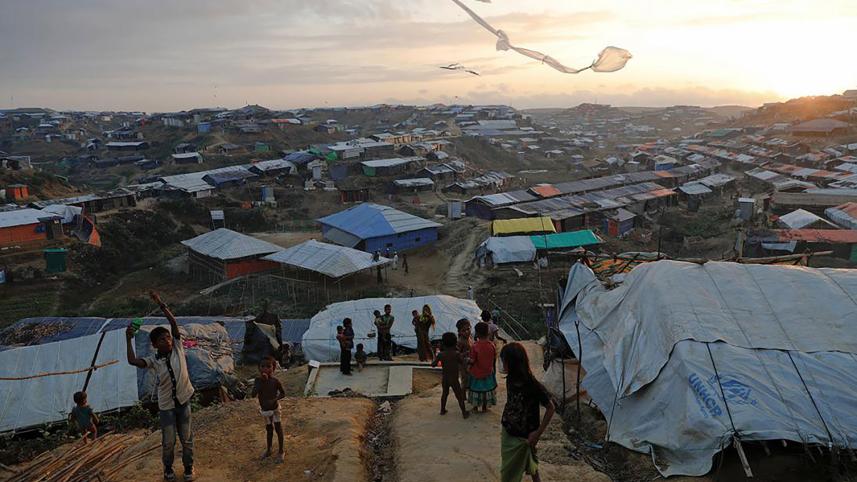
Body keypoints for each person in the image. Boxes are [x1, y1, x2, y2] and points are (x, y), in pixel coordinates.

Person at [126, 292, 195, 482]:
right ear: (155, 345)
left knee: (187, 439)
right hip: (166, 406)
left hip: (184, 400)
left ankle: (189, 468)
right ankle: (168, 469)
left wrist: (160, 303)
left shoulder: (178, 348)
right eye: (163, 339)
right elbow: (132, 360)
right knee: (169, 442)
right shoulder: (153, 361)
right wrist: (128, 338)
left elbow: (173, 324)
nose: (168, 340)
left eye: (168, 338)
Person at [499, 343, 556, 482]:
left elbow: (551, 408)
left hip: (526, 435)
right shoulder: (510, 379)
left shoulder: (532, 385)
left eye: (504, 361)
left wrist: (538, 433)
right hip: (509, 429)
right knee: (527, 459)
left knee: (510, 471)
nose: (502, 365)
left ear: (511, 363)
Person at [251, 356, 286, 463]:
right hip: (265, 410)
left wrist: (275, 399)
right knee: (269, 429)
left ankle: (281, 451)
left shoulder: (275, 381)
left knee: (278, 428)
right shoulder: (257, 381)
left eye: (268, 366)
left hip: (275, 409)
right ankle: (269, 449)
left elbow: (283, 393)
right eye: (262, 366)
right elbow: (253, 395)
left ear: (273, 368)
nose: (265, 369)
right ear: (259, 368)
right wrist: (260, 383)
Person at [431, 332, 469, 419]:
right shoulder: (456, 354)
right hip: (454, 379)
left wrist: (435, 357)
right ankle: (464, 412)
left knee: (444, 394)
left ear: (443, 343)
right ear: (455, 343)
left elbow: (433, 364)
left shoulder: (441, 354)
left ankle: (442, 410)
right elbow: (462, 362)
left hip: (445, 378)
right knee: (459, 396)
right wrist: (465, 357)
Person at [468, 322, 497, 413]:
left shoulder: (475, 346)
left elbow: (472, 360)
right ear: (488, 333)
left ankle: (475, 407)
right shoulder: (492, 345)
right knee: (486, 390)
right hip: (488, 372)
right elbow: (494, 359)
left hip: (476, 372)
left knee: (476, 390)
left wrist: (467, 361)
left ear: (477, 333)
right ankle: (484, 407)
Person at [455, 318, 473, 396]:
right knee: (465, 381)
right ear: (459, 332)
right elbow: (457, 354)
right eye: (463, 330)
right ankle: (462, 396)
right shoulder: (460, 341)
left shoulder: (470, 338)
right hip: (463, 364)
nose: (467, 332)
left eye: (468, 329)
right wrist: (466, 353)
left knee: (470, 380)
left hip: (470, 363)